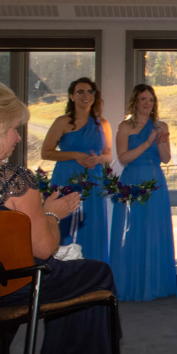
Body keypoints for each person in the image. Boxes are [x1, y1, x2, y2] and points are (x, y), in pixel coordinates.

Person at [0, 79, 117, 354]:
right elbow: (44, 248)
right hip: (10, 286)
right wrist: (52, 214)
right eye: (14, 129)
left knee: (47, 271)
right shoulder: (12, 180)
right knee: (95, 272)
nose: (18, 138)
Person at [109, 84, 176, 301]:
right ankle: (130, 283)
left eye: (151, 100)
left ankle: (155, 284)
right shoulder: (125, 126)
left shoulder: (161, 125)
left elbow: (166, 158)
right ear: (135, 102)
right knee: (132, 230)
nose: (148, 104)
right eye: (143, 99)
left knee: (154, 229)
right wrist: (147, 142)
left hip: (155, 181)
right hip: (132, 180)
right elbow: (123, 158)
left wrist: (160, 144)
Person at [41, 77, 112, 262]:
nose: (85, 96)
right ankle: (63, 277)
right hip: (66, 178)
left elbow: (109, 155)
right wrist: (75, 155)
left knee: (93, 226)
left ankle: (94, 277)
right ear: (72, 96)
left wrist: (98, 159)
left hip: (93, 180)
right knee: (65, 226)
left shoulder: (102, 124)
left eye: (90, 92)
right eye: (80, 92)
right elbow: (46, 153)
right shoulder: (62, 122)